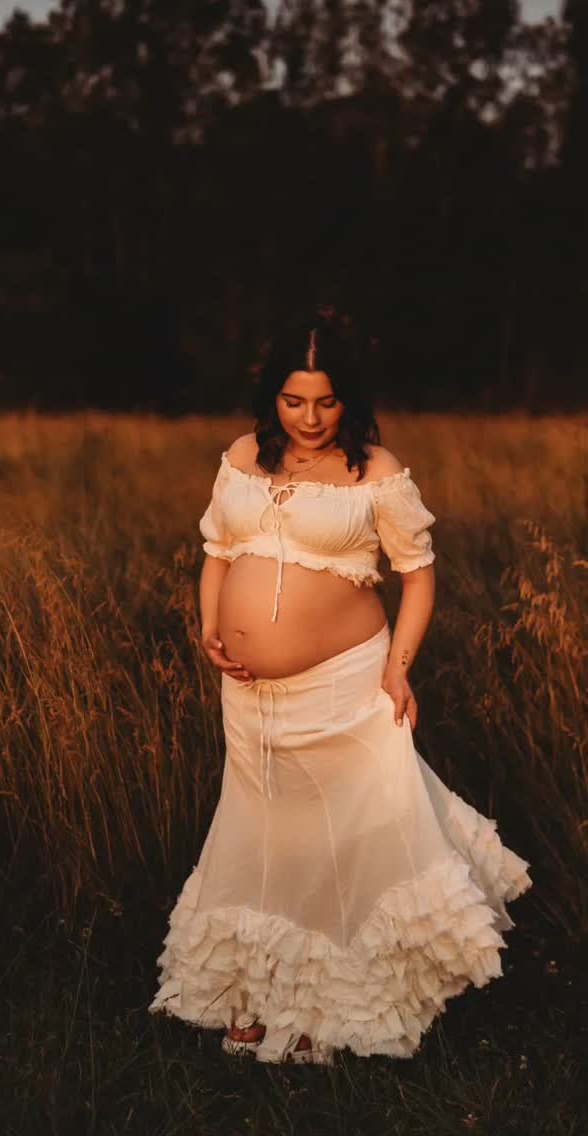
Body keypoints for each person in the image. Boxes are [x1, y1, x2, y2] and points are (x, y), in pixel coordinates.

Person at [149, 309, 532, 1065]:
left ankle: (324, 1006)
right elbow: (217, 552)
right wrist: (209, 628)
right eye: (295, 401)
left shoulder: (378, 474)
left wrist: (399, 670)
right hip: (249, 695)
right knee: (263, 838)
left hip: (344, 686)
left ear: (347, 399)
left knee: (341, 842)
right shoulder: (240, 457)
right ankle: (255, 994)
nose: (312, 418)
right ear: (273, 398)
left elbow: (418, 580)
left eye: (326, 401)